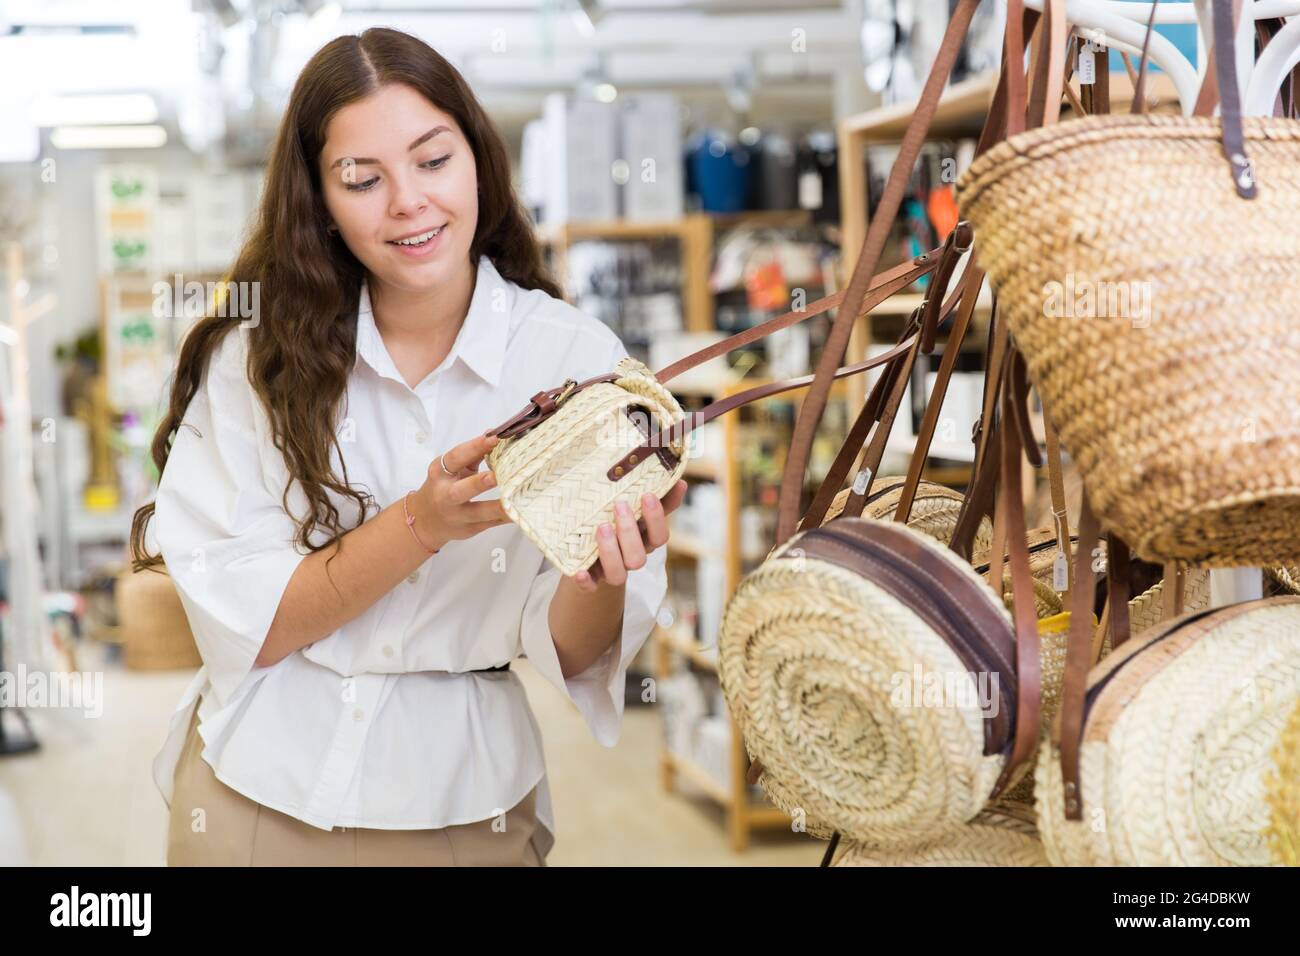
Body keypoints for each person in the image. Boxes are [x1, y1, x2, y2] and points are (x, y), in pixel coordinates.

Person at [130, 26, 684, 866]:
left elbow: (569, 651)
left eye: (434, 161)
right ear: (317, 198)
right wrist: (419, 524)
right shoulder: (252, 361)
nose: (409, 202)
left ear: (478, 161)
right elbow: (255, 621)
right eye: (363, 178)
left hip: (469, 803)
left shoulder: (575, 359)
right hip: (259, 789)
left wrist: (599, 572)